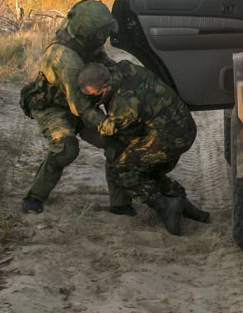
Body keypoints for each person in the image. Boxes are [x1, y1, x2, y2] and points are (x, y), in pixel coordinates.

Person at [19, 0, 129, 214]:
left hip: (77, 102)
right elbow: (81, 108)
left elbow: (107, 65)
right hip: (52, 107)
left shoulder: (85, 42)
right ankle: (35, 196)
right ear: (87, 32)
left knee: (117, 145)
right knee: (66, 148)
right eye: (100, 33)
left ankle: (120, 203)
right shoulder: (66, 59)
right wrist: (108, 124)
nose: (104, 37)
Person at [76, 60, 209, 235]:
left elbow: (110, 129)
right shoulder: (126, 68)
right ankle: (184, 205)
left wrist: (88, 113)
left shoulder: (123, 103)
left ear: (105, 86)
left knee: (122, 170)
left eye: (93, 94)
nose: (92, 97)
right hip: (184, 125)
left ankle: (164, 206)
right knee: (144, 166)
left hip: (171, 139)